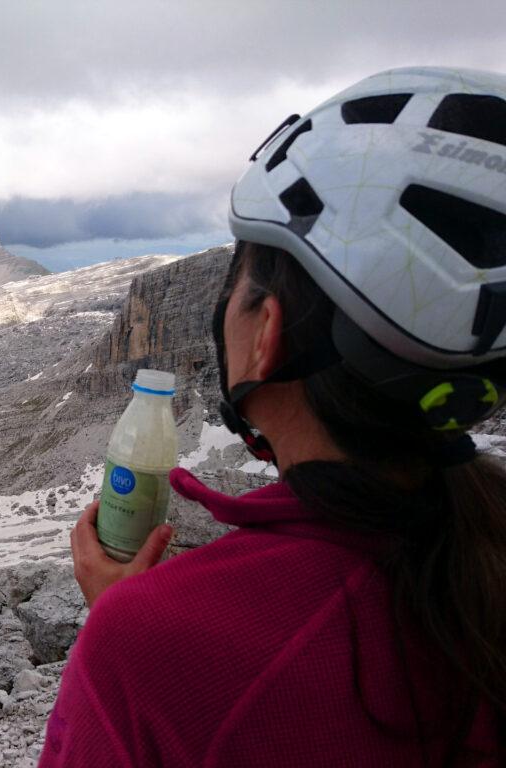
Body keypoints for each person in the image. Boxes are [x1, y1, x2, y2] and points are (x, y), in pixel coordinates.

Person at [39, 66, 506, 767]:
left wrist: (122, 622)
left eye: (240, 276)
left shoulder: (150, 647)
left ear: (267, 331)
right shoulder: (482, 540)